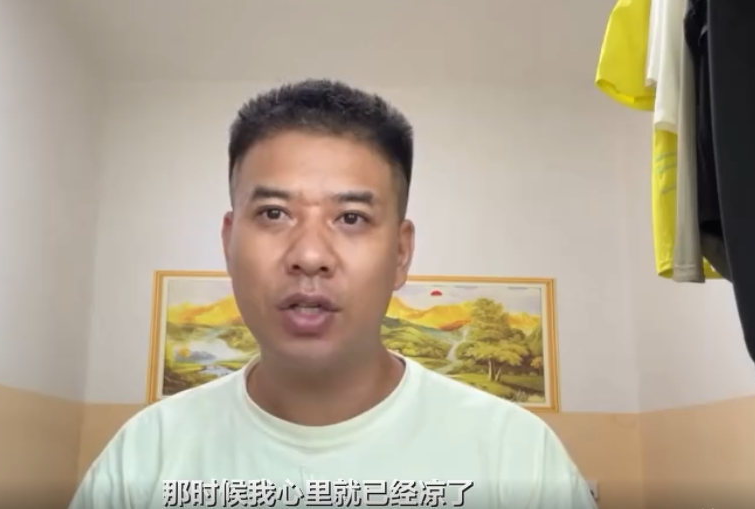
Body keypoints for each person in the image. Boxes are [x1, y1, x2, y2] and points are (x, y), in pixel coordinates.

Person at [69, 79, 596, 509]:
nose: (310, 254)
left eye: (351, 218)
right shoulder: (147, 457)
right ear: (229, 242)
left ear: (400, 253)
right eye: (274, 213)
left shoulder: (516, 458)